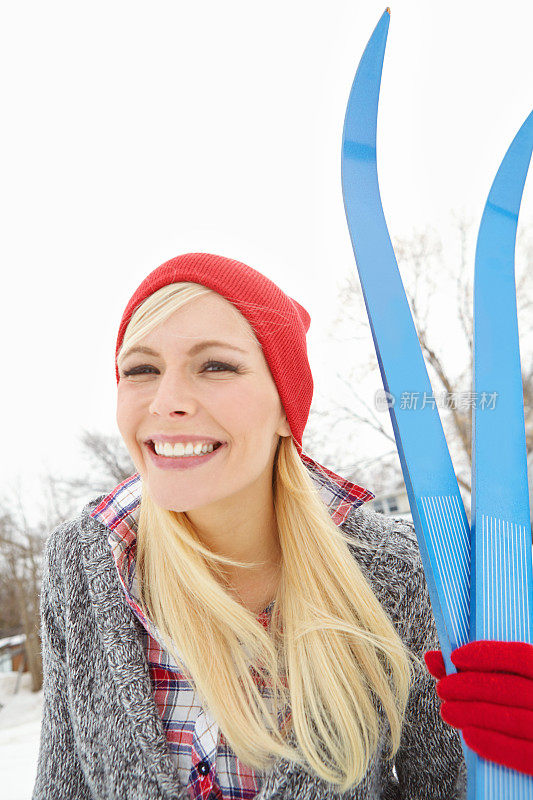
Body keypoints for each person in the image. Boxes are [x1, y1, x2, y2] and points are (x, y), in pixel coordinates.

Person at [33, 252, 468, 799]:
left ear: (288, 408)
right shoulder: (84, 565)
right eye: (141, 369)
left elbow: (449, 786)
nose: (166, 402)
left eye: (215, 366)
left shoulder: (398, 577)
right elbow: (61, 786)